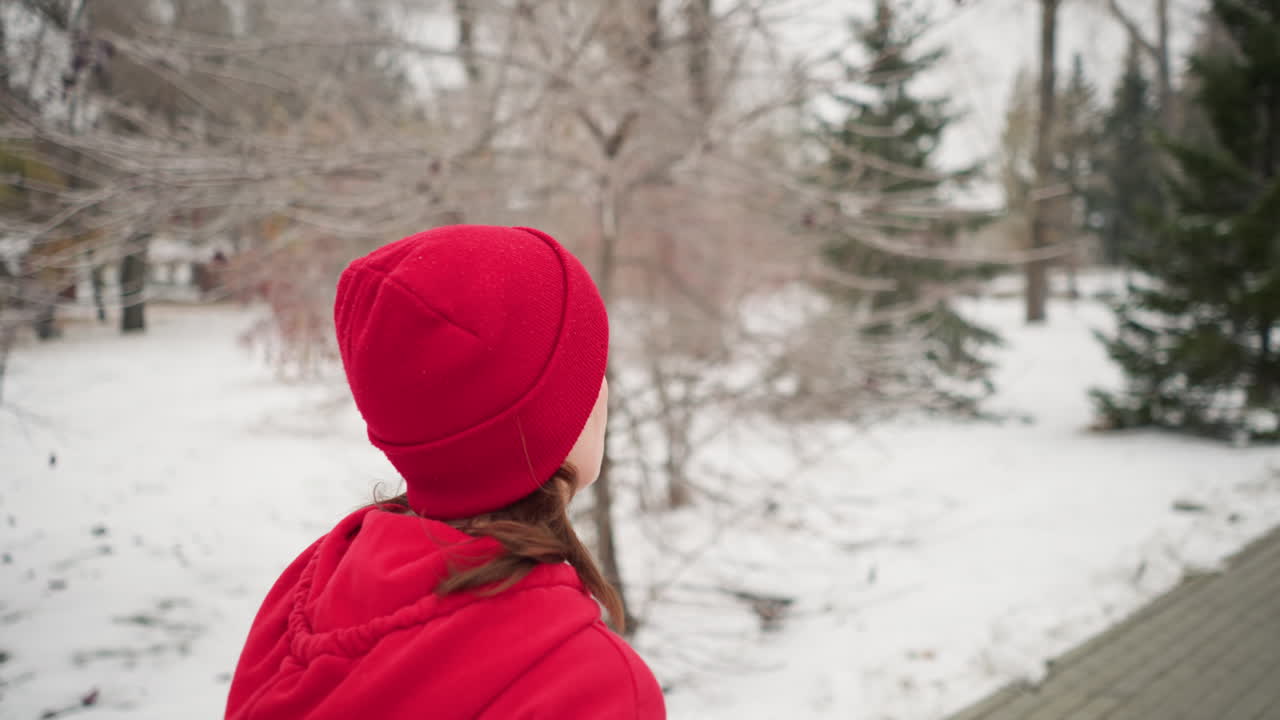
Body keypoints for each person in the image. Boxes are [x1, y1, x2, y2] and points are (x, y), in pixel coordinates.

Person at [225, 225, 666, 719]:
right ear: (550, 418)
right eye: (588, 370)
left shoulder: (304, 597)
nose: (602, 388)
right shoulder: (589, 686)